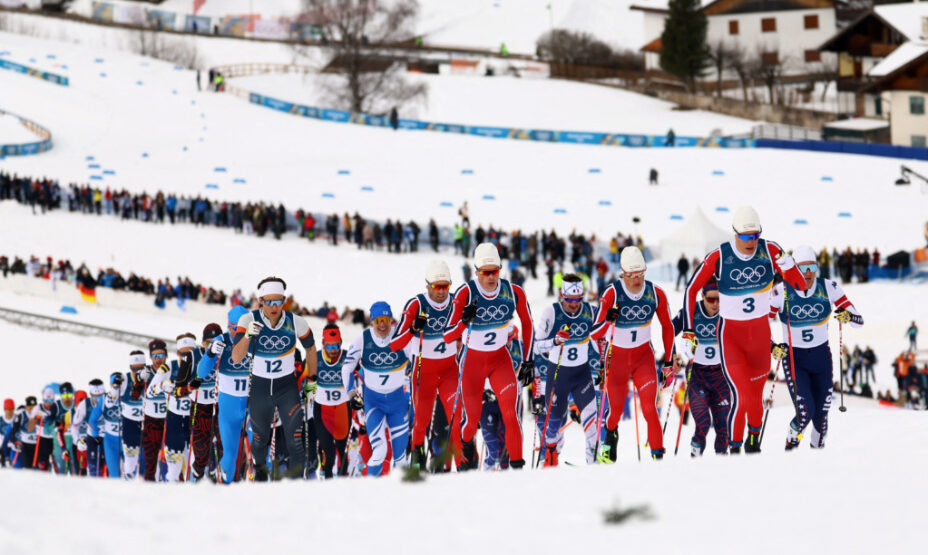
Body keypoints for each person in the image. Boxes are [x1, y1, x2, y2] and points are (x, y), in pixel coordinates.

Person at [683, 206, 805, 453]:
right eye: (746, 236)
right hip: (732, 339)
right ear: (735, 233)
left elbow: (800, 286)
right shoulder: (719, 256)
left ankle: (753, 440)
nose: (752, 241)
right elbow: (690, 290)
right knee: (740, 394)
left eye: (756, 236)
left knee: (755, 396)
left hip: (760, 338)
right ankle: (734, 448)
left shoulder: (770, 251)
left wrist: (790, 266)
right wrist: (689, 331)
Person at [443, 242, 535, 470]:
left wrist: (528, 361)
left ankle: (517, 468)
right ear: (476, 272)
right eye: (486, 272)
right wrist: (464, 321)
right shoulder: (466, 292)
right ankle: (466, 450)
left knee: (511, 414)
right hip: (472, 362)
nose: (491, 277)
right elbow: (447, 335)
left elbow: (527, 323)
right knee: (471, 420)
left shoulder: (513, 292)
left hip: (500, 360)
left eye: (495, 271)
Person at [769, 245, 863, 450]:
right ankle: (791, 446)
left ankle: (816, 459)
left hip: (821, 358)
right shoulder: (780, 290)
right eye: (803, 268)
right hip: (795, 359)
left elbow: (858, 320)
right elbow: (761, 324)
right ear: (793, 269)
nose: (809, 273)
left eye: (812, 267)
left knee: (821, 416)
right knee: (806, 412)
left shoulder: (828, 287)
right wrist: (772, 346)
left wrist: (848, 316)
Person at [591, 247, 675, 461]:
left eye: (640, 275)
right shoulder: (612, 293)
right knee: (616, 412)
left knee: (649, 408)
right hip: (617, 360)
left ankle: (658, 457)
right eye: (631, 276)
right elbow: (594, 333)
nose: (636, 280)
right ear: (622, 273)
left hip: (643, 358)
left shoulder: (656, 293)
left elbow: (668, 327)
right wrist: (608, 319)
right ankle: (611, 438)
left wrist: (669, 362)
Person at [231, 277, 316, 481]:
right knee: (260, 441)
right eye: (269, 301)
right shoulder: (248, 320)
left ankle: (295, 484)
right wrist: (248, 336)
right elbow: (236, 357)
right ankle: (260, 475)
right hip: (260, 388)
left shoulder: (296, 321)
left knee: (296, 439)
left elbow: (311, 348)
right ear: (261, 300)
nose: (274, 306)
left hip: (286, 387)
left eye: (279, 301)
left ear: (284, 301)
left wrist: (312, 380)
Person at [390, 259, 460, 470]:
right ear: (427, 285)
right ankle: (417, 463)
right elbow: (395, 344)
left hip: (449, 370)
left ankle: (465, 467)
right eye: (436, 287)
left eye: (445, 286)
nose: (441, 292)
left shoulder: (457, 301)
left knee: (457, 418)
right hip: (424, 372)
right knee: (421, 423)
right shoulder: (416, 305)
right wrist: (412, 329)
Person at [533, 274, 600, 466]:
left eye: (578, 299)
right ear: (562, 295)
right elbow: (537, 347)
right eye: (570, 299)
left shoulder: (590, 311)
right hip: (557, 375)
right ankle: (550, 457)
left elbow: (602, 338)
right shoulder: (551, 312)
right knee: (553, 429)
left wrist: (607, 325)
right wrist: (554, 341)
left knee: (591, 424)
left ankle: (593, 465)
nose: (574, 304)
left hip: (582, 375)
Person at [343, 302, 411, 476]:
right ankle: (371, 490)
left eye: (386, 320)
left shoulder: (400, 336)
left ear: (391, 320)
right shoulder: (362, 339)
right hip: (374, 402)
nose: (382, 325)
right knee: (379, 451)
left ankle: (405, 497)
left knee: (401, 457)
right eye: (378, 320)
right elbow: (347, 368)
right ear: (372, 321)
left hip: (398, 402)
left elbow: (418, 362)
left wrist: (413, 393)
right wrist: (351, 394)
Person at [671, 277, 729, 456]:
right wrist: (673, 356)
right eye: (711, 299)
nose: (715, 304)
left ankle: (723, 469)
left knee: (723, 429)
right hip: (697, 376)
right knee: (703, 425)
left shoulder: (728, 311)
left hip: (721, 376)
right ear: (702, 296)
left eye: (719, 299)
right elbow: (668, 331)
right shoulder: (691, 311)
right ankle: (695, 461)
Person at [199, 306, 253, 483]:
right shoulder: (220, 340)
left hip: (250, 403)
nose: (237, 333)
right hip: (228, 404)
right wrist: (210, 353)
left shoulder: (254, 338)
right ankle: (224, 486)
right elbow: (201, 373)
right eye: (233, 329)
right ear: (228, 326)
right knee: (229, 455)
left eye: (241, 329)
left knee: (257, 448)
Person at [147, 334, 198, 482]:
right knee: (173, 470)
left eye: (190, 354)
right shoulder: (169, 367)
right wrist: (162, 386)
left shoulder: (202, 365)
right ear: (177, 354)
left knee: (195, 467)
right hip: (175, 421)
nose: (186, 358)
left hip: (194, 420)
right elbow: (150, 392)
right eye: (183, 354)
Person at [182, 323, 222, 481]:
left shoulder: (225, 355)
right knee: (200, 447)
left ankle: (217, 471)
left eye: (214, 341)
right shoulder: (193, 356)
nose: (211, 345)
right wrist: (190, 386)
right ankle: (198, 472)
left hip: (219, 406)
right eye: (207, 342)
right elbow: (181, 386)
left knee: (221, 442)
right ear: (202, 342)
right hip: (199, 407)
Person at [313, 324, 353, 478]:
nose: (333, 350)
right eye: (329, 346)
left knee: (342, 449)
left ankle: (343, 478)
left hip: (342, 409)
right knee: (327, 451)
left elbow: (364, 373)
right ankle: (327, 479)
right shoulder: (315, 358)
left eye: (336, 345)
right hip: (322, 410)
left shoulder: (348, 357)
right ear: (323, 344)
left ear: (341, 342)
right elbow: (302, 378)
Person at [140, 341, 169, 481]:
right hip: (151, 421)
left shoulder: (169, 370)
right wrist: (139, 381)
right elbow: (134, 395)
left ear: (166, 356)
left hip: (169, 420)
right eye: (155, 355)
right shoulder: (145, 372)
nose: (159, 359)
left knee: (169, 459)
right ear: (150, 357)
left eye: (161, 355)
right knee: (150, 460)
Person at [88, 373, 123, 478]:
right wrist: (96, 435)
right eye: (114, 385)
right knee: (114, 475)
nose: (117, 388)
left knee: (131, 473)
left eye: (119, 385)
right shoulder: (103, 400)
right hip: (111, 440)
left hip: (128, 439)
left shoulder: (129, 396)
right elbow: (92, 420)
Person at [70, 378, 105, 476]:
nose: (98, 399)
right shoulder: (84, 405)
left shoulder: (110, 401)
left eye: (101, 396)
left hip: (108, 438)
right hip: (92, 438)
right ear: (90, 395)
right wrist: (77, 441)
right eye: (95, 396)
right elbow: (75, 426)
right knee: (93, 468)